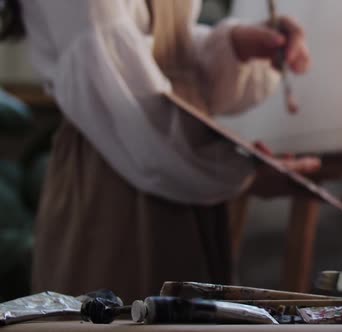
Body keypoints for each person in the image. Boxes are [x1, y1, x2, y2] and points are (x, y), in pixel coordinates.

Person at [0, 0, 318, 303]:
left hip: (177, 170)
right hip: (113, 184)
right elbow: (126, 100)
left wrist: (234, 47)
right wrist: (242, 170)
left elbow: (156, 52)